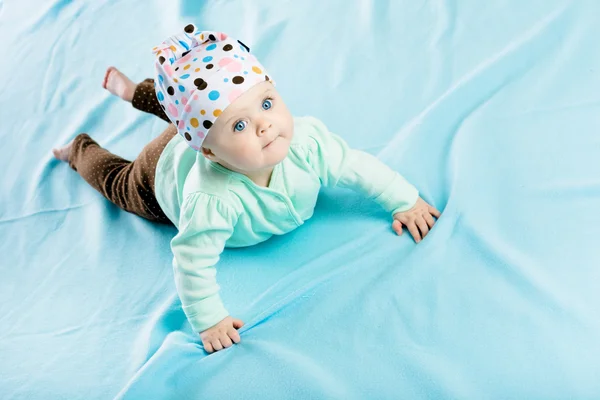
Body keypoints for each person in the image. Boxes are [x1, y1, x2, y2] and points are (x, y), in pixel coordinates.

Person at [53, 24, 441, 354]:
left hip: (199, 130)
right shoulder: (211, 201)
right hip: (158, 177)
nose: (265, 126)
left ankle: (135, 91)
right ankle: (79, 149)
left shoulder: (306, 142)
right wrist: (210, 319)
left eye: (268, 103)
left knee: (192, 103)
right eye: (241, 126)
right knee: (116, 180)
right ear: (208, 152)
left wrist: (403, 200)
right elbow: (191, 260)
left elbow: (358, 166)